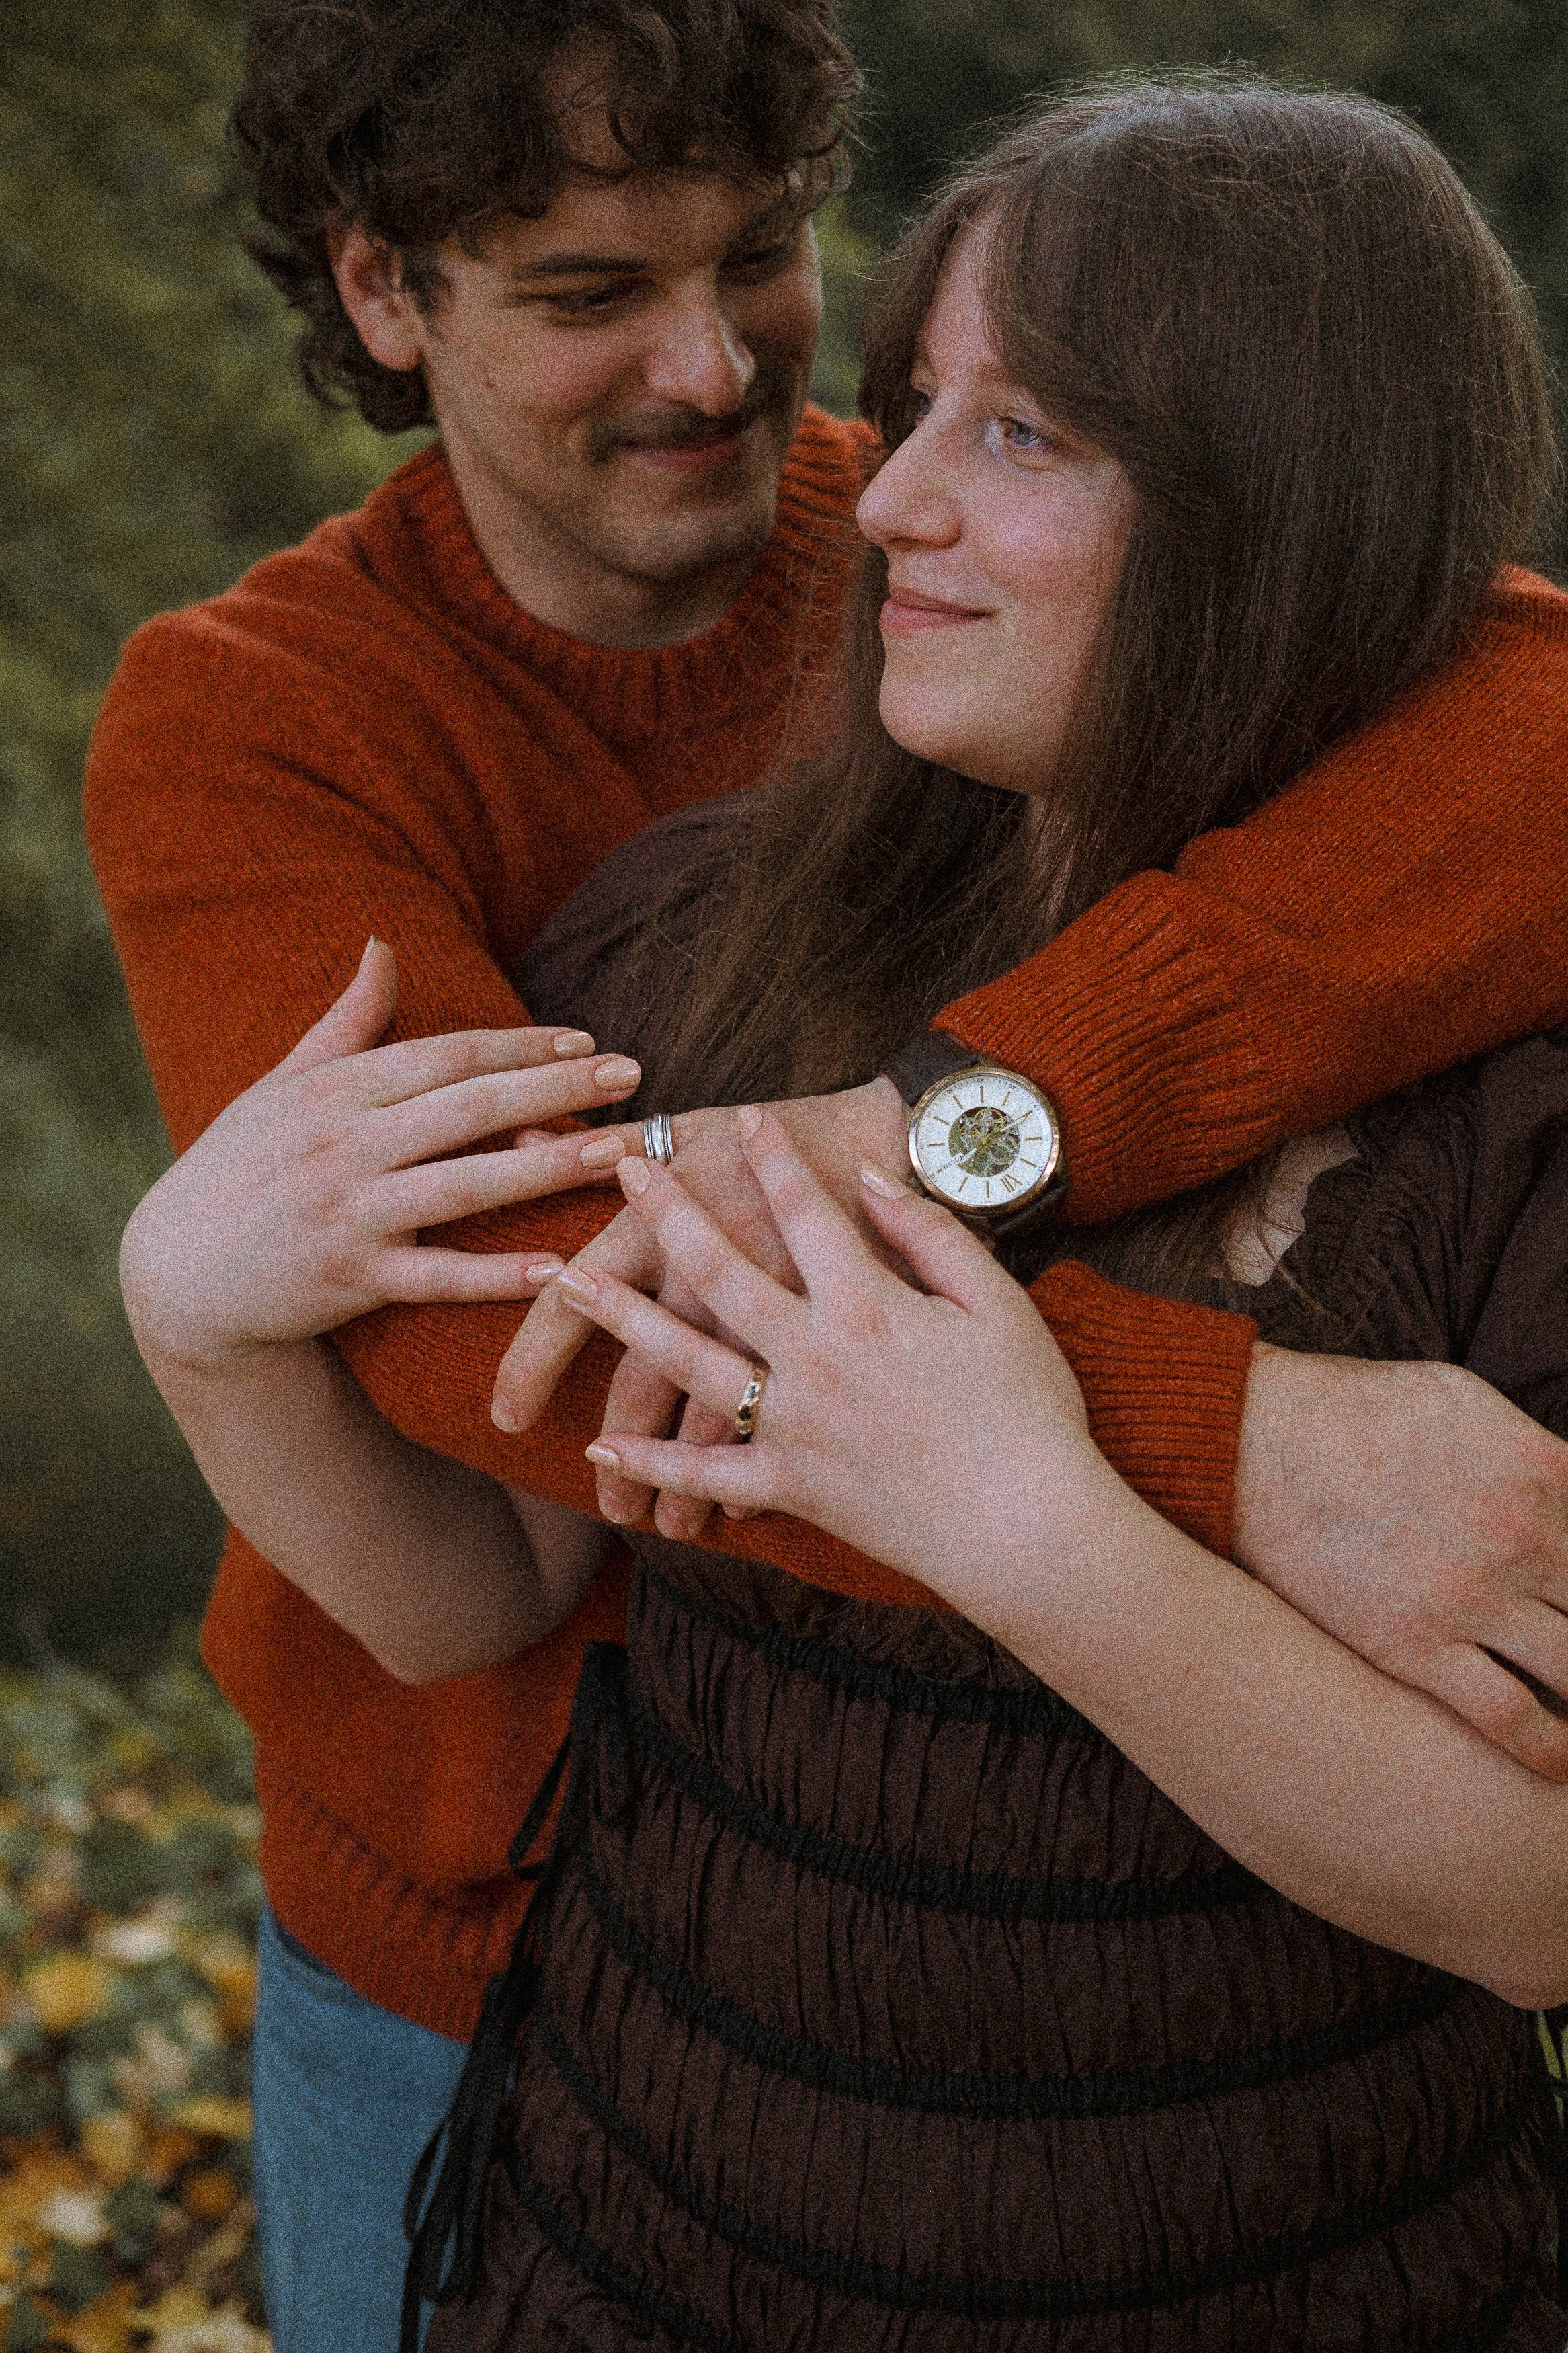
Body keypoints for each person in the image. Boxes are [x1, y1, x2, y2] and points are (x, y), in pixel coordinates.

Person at [87, 0, 1568, 2336]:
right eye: (591, 291)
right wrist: (1234, 1447)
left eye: (760, 256)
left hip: (1127, 2013)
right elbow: (516, 1321)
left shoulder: (959, 565)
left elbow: (1518, 716)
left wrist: (968, 1115)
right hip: (495, 1916)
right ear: (386, 290)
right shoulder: (267, 721)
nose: (716, 373)